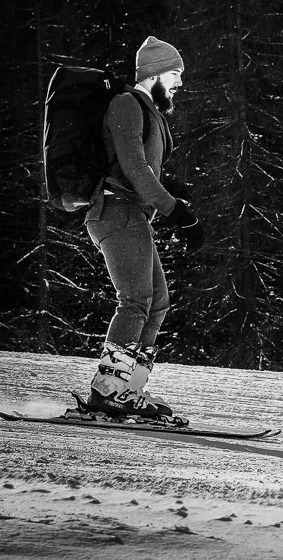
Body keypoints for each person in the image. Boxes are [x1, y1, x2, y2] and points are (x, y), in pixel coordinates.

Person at [82, 36, 205, 418]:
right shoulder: (126, 104)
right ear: (152, 74)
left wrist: (177, 205)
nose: (179, 83)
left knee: (157, 303)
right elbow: (134, 168)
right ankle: (107, 393)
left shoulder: (148, 109)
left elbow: (145, 172)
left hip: (132, 215)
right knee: (136, 300)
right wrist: (174, 211)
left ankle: (128, 389)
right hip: (114, 212)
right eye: (173, 74)